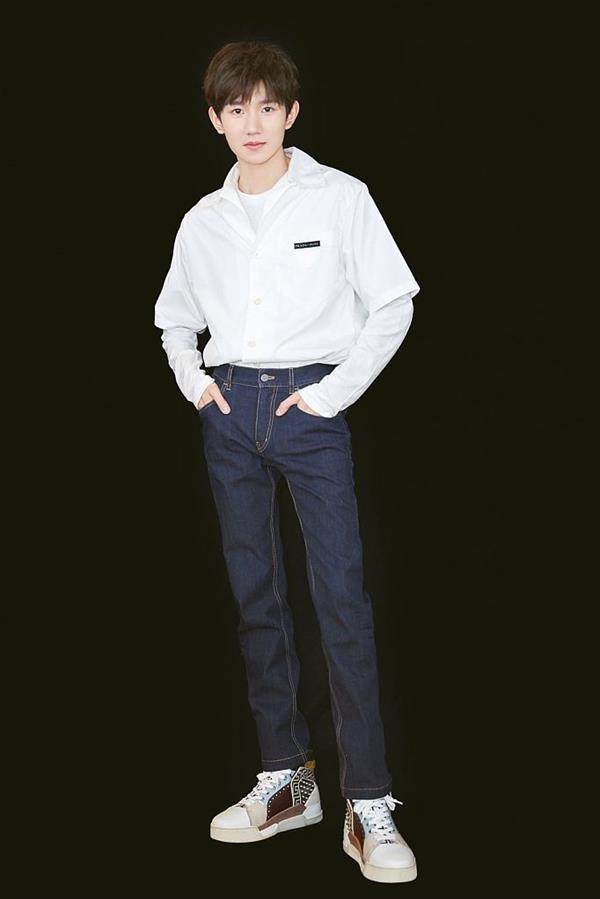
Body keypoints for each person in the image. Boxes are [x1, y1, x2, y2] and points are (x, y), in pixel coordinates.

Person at [153, 39, 420, 884]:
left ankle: (367, 800)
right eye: (237, 108)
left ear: (292, 113)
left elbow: (395, 301)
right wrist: (198, 384)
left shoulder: (339, 197)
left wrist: (331, 394)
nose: (253, 122)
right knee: (256, 598)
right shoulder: (203, 220)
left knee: (340, 598)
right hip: (230, 411)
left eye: (268, 106)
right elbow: (173, 317)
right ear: (215, 119)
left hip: (309, 408)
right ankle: (287, 781)